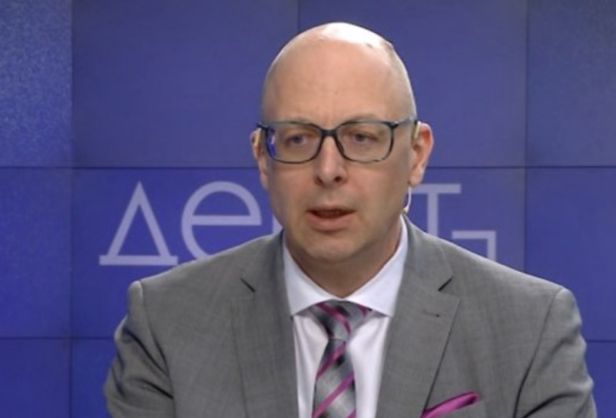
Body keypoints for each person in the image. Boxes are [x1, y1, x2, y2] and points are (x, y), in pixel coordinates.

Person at [104, 22, 596, 418]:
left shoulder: (529, 328)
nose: (328, 170)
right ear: (262, 158)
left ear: (416, 155)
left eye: (361, 137)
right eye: (298, 139)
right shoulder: (166, 323)